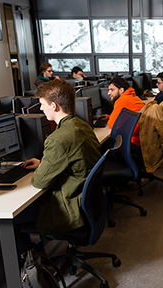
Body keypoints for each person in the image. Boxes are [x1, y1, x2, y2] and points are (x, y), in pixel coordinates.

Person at [15, 79, 101, 253]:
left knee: (13, 219)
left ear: (53, 106)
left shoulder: (58, 139)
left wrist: (43, 167)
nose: (40, 109)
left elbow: (39, 182)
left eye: (42, 104)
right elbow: (74, 159)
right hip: (87, 201)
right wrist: (44, 163)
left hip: (70, 208)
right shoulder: (81, 125)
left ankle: (33, 265)